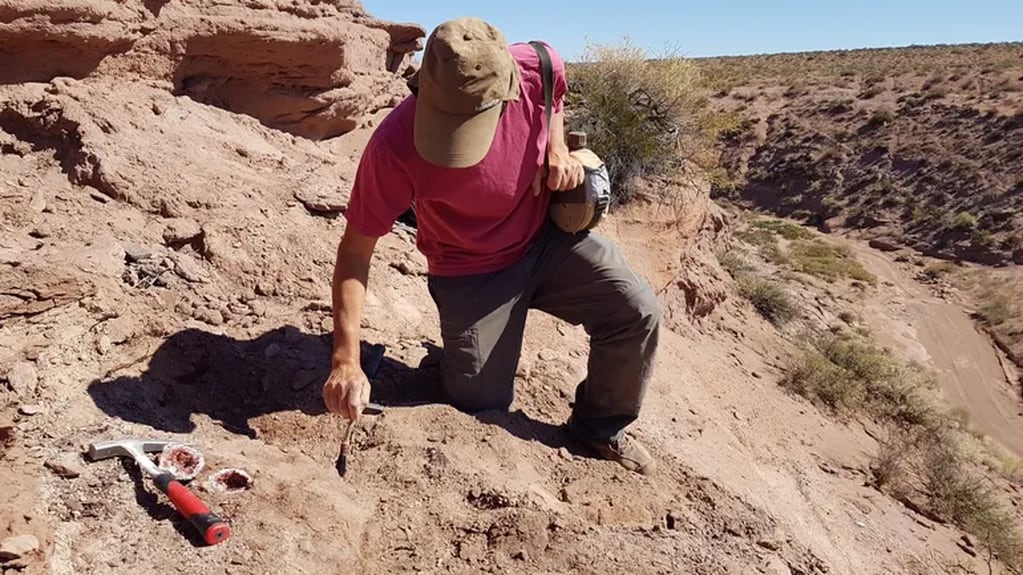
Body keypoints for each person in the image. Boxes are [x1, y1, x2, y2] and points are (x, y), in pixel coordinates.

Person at [321, 17, 661, 475]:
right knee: (482, 403)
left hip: (546, 241)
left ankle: (599, 429)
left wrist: (556, 146)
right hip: (469, 269)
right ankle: (453, 361)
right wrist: (346, 359)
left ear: (508, 87)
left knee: (634, 310)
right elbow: (355, 253)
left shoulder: (535, 67)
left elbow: (553, 94)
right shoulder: (393, 147)